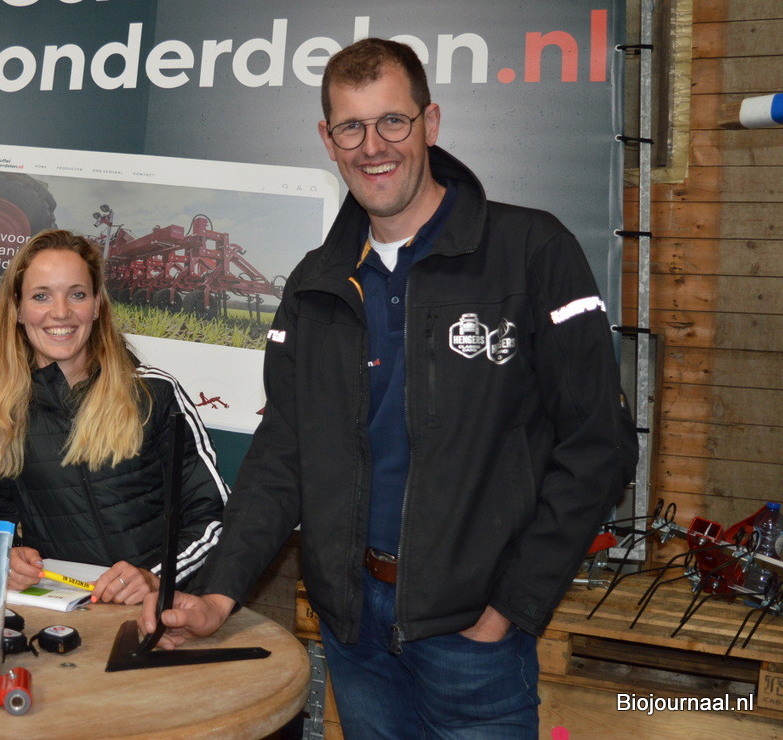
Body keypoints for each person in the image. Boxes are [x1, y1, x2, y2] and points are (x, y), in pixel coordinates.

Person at [140, 39, 638, 738]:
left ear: (430, 123)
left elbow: (599, 446)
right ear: (328, 139)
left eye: (392, 121)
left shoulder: (532, 252)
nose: (373, 146)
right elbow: (283, 454)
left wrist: (511, 607)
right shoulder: (315, 284)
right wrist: (219, 591)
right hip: (355, 635)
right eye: (352, 127)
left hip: (473, 638)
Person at [0, 229, 228, 605]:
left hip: (157, 612)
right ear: (17, 308)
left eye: (77, 294)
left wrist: (155, 578)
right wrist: (4, 556)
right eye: (41, 296)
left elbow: (212, 516)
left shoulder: (154, 393)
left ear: (97, 305)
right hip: (60, 613)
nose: (61, 312)